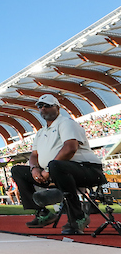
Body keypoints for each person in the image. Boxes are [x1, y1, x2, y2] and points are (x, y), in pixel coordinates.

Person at [11, 94, 107, 234]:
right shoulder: (41, 132)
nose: (43, 108)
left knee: (56, 165)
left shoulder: (66, 123)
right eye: (40, 106)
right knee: (17, 170)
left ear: (57, 107)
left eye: (47, 105)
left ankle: (77, 217)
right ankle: (42, 212)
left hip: (87, 170)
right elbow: (34, 155)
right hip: (54, 172)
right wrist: (34, 169)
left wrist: (48, 170)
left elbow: (70, 148)